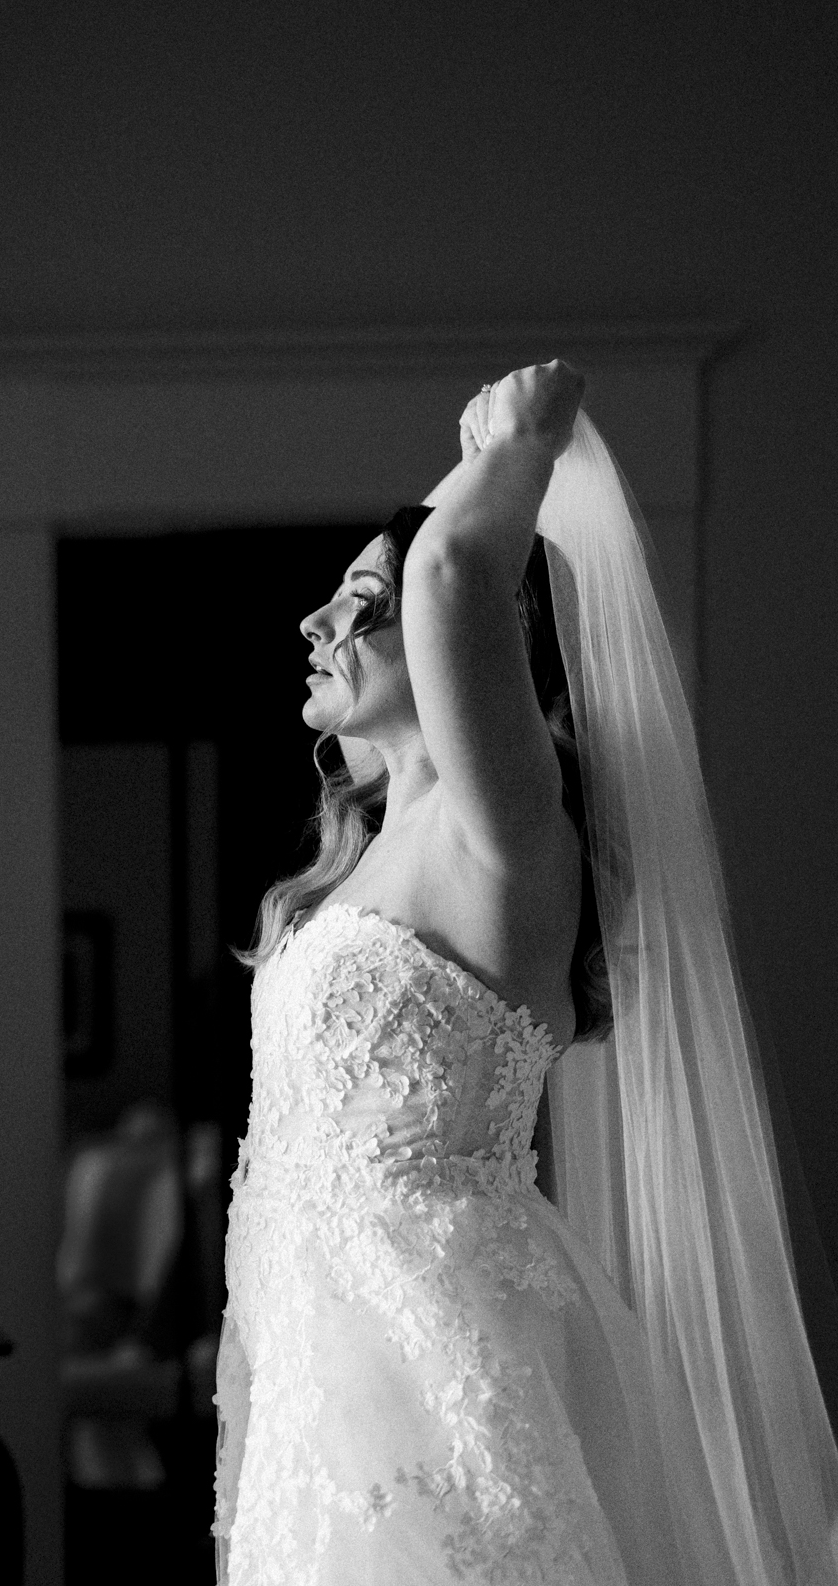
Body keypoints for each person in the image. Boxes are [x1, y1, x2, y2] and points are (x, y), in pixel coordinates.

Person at [215, 361, 838, 1583]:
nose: (314, 625)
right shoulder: (358, 869)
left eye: (355, 601)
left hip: (442, 1369)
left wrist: (524, 441)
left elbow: (452, 570)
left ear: (488, 644)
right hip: (322, 1376)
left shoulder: (502, 833)